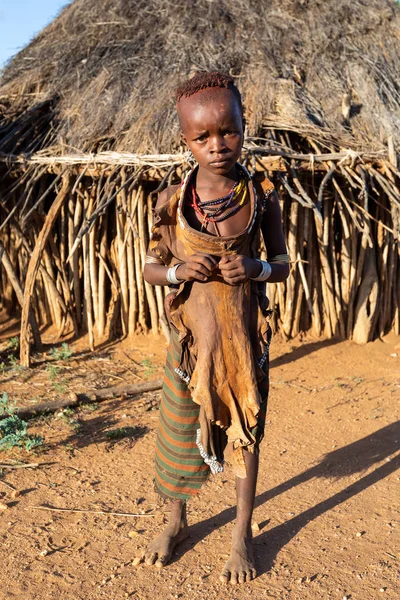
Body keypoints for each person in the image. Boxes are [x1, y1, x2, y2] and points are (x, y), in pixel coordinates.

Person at [134, 71, 289, 584]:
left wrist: (256, 269)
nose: (218, 146)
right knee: (180, 427)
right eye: (202, 137)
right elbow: (150, 268)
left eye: (229, 132)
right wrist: (180, 270)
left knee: (248, 430)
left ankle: (241, 535)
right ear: (186, 140)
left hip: (243, 337)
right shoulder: (172, 201)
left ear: (245, 127)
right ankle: (176, 522)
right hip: (189, 341)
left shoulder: (262, 196)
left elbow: (284, 263)